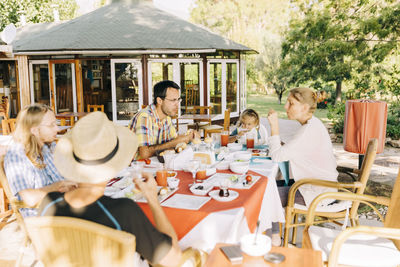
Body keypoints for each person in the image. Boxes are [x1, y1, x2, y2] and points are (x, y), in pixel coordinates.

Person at [39, 112, 182, 267]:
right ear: (114, 166)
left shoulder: (48, 203)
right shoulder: (123, 211)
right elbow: (173, 260)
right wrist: (152, 198)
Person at [267, 87, 338, 246]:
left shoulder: (309, 130)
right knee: (266, 185)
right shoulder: (312, 124)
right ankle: (275, 235)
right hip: (315, 186)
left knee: (266, 194)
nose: (285, 107)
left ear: (304, 107)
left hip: (317, 191)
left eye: (290, 103)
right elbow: (296, 151)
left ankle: (274, 240)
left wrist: (274, 127)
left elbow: (277, 156)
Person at [4, 104, 77, 217]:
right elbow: (29, 199)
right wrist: (57, 186)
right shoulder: (17, 156)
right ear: (34, 130)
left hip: (65, 206)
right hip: (44, 217)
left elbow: (64, 177)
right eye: (51, 125)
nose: (57, 129)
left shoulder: (49, 146)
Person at [129, 80, 197, 159]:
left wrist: (189, 137)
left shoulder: (167, 118)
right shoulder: (145, 117)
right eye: (173, 100)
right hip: (135, 167)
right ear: (159, 101)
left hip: (154, 164)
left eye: (178, 100)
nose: (177, 105)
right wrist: (175, 142)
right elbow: (144, 153)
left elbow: (174, 142)